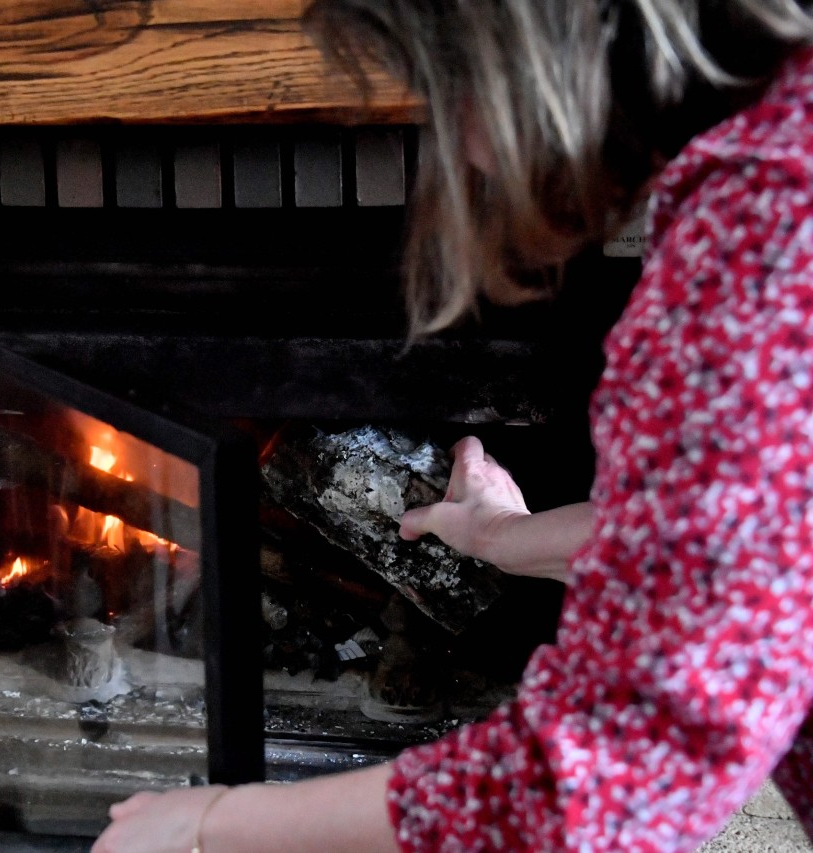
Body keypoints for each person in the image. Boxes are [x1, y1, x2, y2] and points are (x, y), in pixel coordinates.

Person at [92, 1, 813, 850]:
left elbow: (619, 769)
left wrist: (214, 824)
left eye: (448, 91)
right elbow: (748, 546)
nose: (458, 147)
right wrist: (507, 535)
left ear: (527, 56)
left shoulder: (760, 233)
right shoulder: (774, 158)